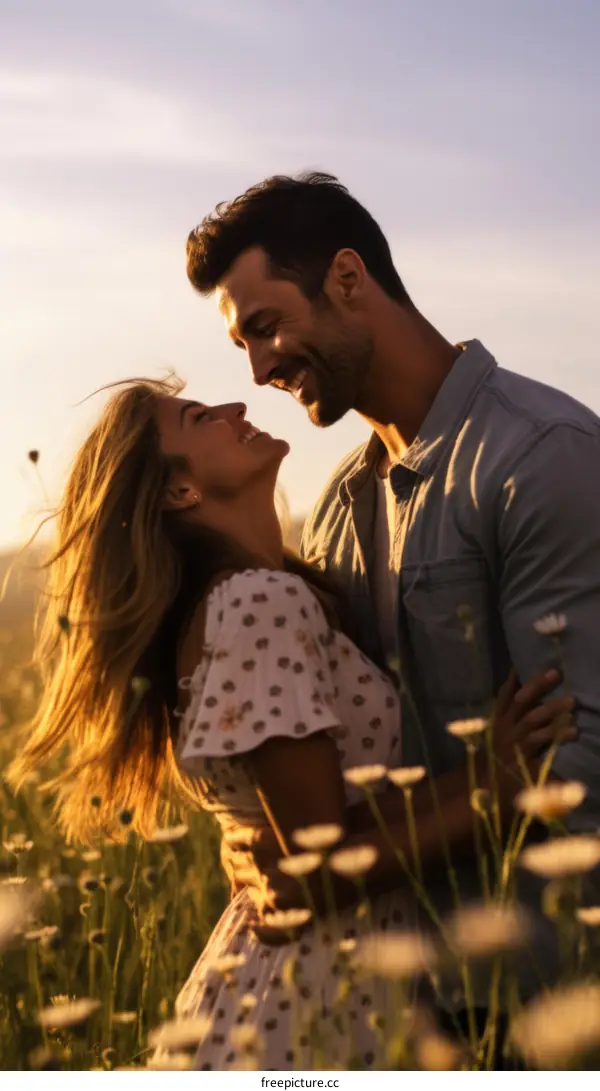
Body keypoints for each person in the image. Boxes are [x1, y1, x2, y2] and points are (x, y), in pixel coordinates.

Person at [8, 377, 572, 1071]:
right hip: (313, 1003)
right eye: (199, 417)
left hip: (302, 989)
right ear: (180, 491)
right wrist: (498, 788)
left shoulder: (249, 597)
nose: (236, 407)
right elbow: (314, 871)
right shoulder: (257, 602)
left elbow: (308, 841)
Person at [185, 171, 600, 1029]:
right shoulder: (340, 510)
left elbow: (579, 770)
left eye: (265, 328)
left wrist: (317, 862)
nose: (261, 369)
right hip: (406, 1009)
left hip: (554, 997)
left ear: (346, 277)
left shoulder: (539, 456)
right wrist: (289, 848)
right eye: (244, 349)